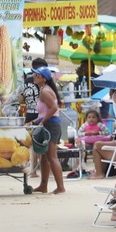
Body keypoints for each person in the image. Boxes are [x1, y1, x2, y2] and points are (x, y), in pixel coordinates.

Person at [28, 66, 64, 194]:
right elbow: (45, 111)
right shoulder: (44, 89)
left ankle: (61, 187)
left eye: (37, 75)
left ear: (43, 78)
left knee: (52, 157)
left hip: (51, 125)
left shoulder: (44, 91)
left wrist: (42, 121)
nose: (34, 77)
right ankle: (43, 185)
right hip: (49, 124)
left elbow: (54, 108)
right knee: (43, 157)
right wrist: (36, 121)